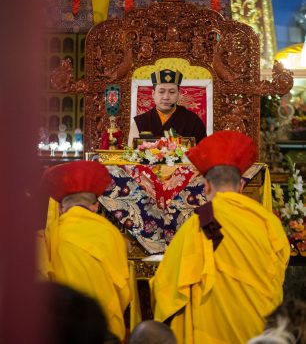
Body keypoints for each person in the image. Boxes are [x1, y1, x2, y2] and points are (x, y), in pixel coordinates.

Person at [150, 131, 290, 344]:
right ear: (241, 186)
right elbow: (279, 273)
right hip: (259, 331)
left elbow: (167, 286)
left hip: (210, 334)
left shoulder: (197, 224)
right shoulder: (268, 222)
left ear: (206, 186)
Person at [39, 161, 130, 342]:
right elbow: (124, 292)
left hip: (65, 329)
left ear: (61, 208)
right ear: (95, 206)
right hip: (105, 328)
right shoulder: (111, 233)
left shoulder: (52, 233)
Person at [128, 69, 206, 146]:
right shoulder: (140, 122)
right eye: (161, 92)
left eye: (172, 92)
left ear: (178, 94)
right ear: (153, 94)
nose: (166, 97)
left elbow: (204, 153)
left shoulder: (193, 121)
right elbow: (132, 155)